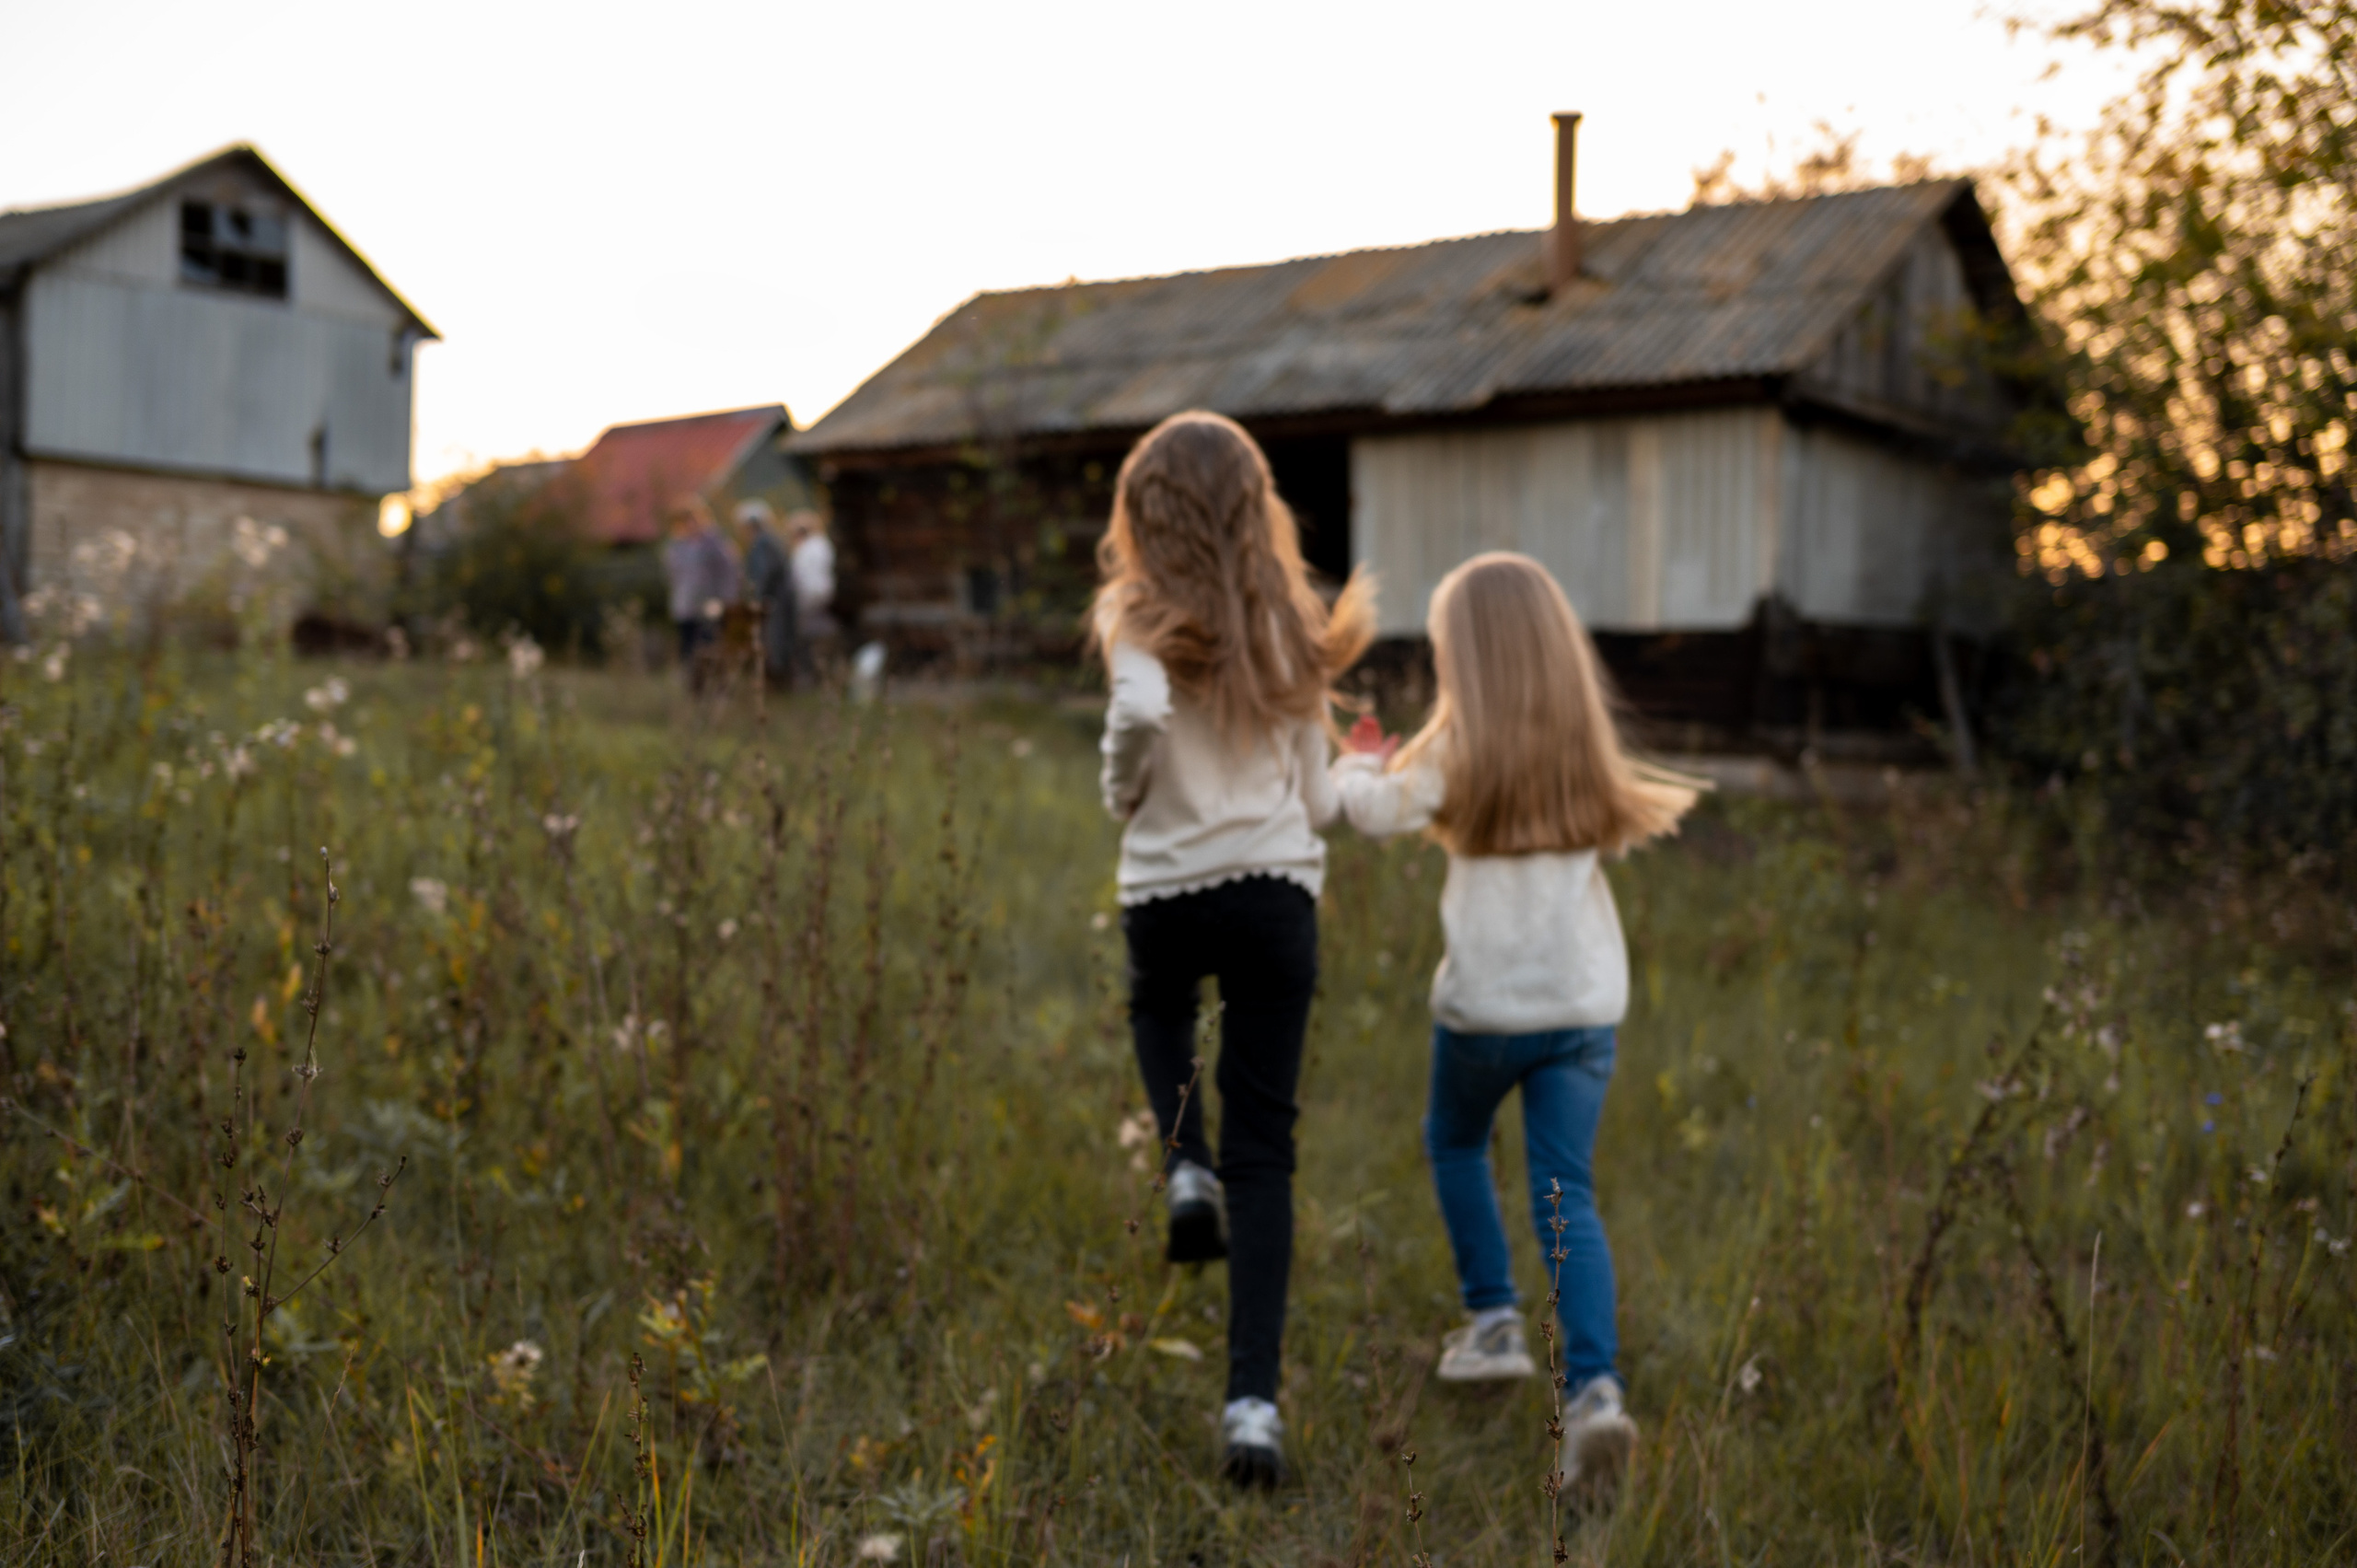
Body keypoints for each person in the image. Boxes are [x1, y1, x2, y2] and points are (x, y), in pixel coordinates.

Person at [1329, 552, 1701, 1502]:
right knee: (1565, 1191)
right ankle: (1593, 1395)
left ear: (1462, 658)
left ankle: (1493, 1320)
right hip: (1580, 1013)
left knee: (1454, 1142)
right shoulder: (1579, 753)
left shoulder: (1453, 753)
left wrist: (1362, 762)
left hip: (1484, 1012)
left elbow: (1366, 813)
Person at [1095, 410, 1374, 1491]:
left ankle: (1180, 1161)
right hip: (1272, 899)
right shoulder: (1285, 622)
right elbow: (1315, 799)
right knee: (1271, 1153)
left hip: (1166, 893)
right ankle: (1253, 1406)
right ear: (1258, 510)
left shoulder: (1130, 612)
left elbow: (1138, 707)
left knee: (1157, 1010)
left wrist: (1122, 784)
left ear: (1142, 514)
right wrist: (1365, 784)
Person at [663, 497, 741, 673]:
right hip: (685, 606)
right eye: (684, 521)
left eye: (693, 519)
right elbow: (673, 577)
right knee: (688, 650)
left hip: (711, 606)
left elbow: (730, 574)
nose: (690, 524)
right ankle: (693, 689)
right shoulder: (676, 547)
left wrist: (725, 601)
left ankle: (715, 688)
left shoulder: (716, 543)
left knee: (711, 648)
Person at [737, 498, 799, 687]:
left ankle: (780, 683)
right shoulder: (771, 540)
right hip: (779, 598)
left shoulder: (763, 543)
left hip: (773, 600)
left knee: (776, 641)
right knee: (779, 640)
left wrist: (757, 597)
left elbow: (764, 573)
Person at [787, 511, 836, 659]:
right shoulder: (823, 544)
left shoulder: (805, 549)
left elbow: (801, 576)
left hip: (810, 596)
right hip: (823, 593)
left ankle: (818, 660)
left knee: (811, 632)